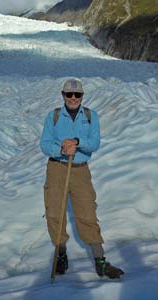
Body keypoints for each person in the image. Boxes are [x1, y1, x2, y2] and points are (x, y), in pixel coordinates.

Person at [40, 78, 124, 279]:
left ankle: (100, 260)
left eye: (77, 95)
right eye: (69, 94)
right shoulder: (53, 116)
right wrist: (60, 148)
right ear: (63, 95)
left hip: (80, 170)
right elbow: (44, 144)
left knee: (87, 213)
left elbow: (94, 143)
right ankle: (61, 254)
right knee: (55, 213)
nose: (73, 98)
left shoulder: (90, 116)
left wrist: (77, 142)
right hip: (57, 167)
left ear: (82, 96)